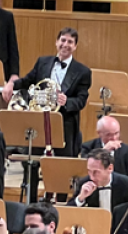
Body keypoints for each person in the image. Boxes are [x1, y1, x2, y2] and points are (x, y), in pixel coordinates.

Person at [16, 27, 93, 157]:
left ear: (75, 46)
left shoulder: (83, 71)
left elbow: (81, 100)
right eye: (63, 40)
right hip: (39, 118)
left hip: (64, 122)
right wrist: (10, 85)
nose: (65, 45)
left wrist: (67, 101)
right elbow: (27, 81)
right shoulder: (42, 62)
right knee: (33, 158)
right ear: (56, 42)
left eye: (70, 42)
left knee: (63, 162)